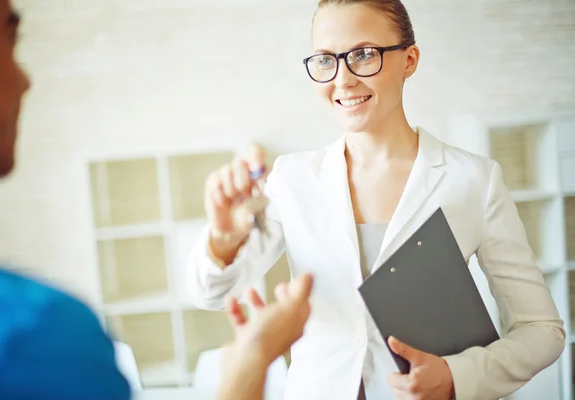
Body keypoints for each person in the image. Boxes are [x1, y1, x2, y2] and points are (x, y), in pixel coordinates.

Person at [187, 0, 566, 399]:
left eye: (364, 55)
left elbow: (542, 330)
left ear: (410, 59)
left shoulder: (473, 180)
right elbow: (211, 293)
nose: (343, 79)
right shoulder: (292, 180)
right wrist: (222, 240)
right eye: (325, 60)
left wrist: (458, 375)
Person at [0, 1, 310, 399]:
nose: (24, 80)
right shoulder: (33, 334)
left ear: (408, 60)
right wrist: (252, 360)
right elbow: (213, 290)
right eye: (9, 42)